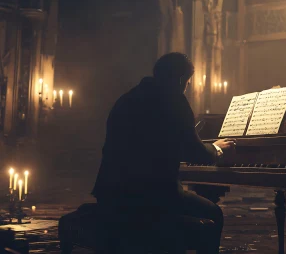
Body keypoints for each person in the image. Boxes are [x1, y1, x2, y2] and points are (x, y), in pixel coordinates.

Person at [92, 52, 235, 253]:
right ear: (179, 79)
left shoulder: (126, 99)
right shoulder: (173, 100)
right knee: (214, 214)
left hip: (110, 194)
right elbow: (195, 152)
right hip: (152, 197)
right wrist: (217, 148)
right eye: (187, 82)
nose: (186, 87)